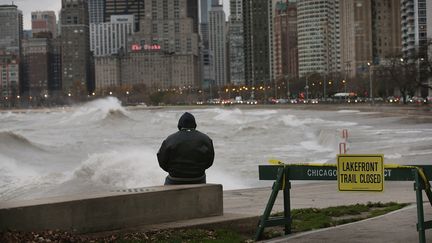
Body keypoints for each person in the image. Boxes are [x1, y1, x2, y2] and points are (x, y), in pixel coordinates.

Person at [157, 112, 215, 185]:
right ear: (194, 125)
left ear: (179, 125)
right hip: (198, 178)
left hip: (175, 179)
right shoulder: (206, 139)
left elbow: (162, 160)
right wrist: (198, 170)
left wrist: (173, 171)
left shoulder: (170, 139)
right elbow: (210, 161)